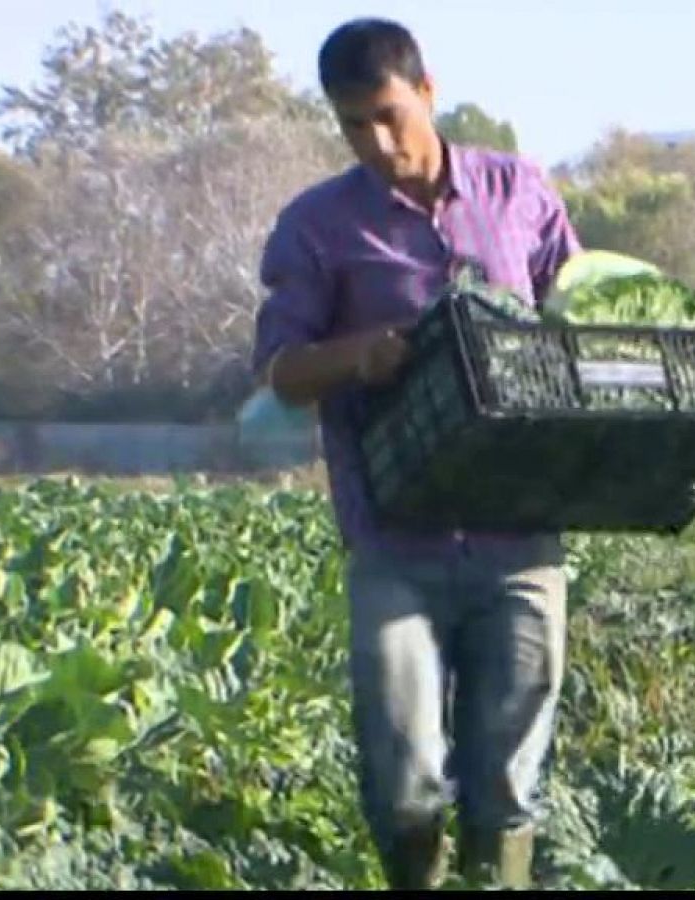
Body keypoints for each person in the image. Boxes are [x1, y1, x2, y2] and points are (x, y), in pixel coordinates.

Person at [249, 17, 582, 890]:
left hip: (519, 541)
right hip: (396, 542)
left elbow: (579, 319)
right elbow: (279, 370)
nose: (377, 140)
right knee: (404, 782)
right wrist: (359, 355)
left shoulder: (519, 192)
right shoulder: (319, 226)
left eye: (390, 115)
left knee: (508, 785)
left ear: (427, 93)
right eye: (353, 123)